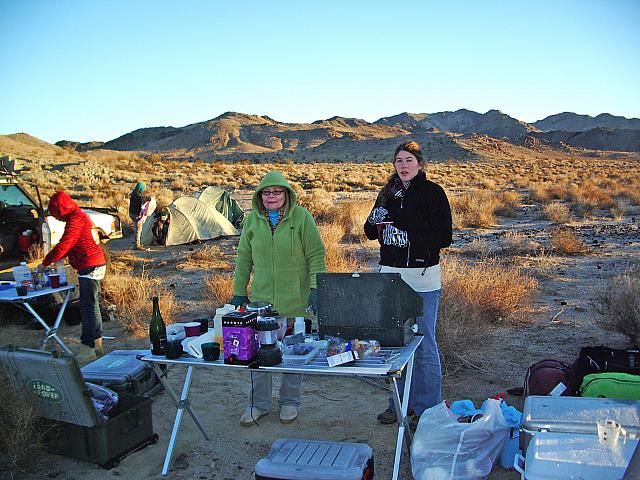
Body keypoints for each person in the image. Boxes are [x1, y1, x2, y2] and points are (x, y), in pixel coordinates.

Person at [363, 140, 452, 428]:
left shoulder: (433, 193)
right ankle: (399, 404)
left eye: (409, 160)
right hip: (390, 277)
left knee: (424, 343)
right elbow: (370, 233)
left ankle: (426, 409)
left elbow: (445, 237)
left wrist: (409, 238)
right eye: (399, 160)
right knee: (395, 343)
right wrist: (375, 218)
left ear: (420, 164)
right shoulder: (387, 194)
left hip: (423, 279)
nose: (403, 165)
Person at [231, 171, 326, 426]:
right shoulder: (252, 220)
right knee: (258, 354)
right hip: (261, 305)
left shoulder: (302, 217)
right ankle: (258, 404)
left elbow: (316, 254)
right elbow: (243, 258)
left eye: (277, 192)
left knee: (294, 354)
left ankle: (289, 402)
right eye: (266, 192)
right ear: (259, 196)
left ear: (287, 194)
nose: (271, 196)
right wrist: (239, 292)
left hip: (296, 301)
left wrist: (316, 288)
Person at [41, 191, 107, 364]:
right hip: (95, 263)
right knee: (92, 305)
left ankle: (88, 347)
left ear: (61, 209)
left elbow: (65, 244)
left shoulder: (76, 220)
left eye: (56, 213)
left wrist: (46, 262)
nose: (57, 217)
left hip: (90, 265)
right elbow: (70, 244)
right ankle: (97, 344)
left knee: (87, 306)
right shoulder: (79, 216)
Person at [129, 181, 149, 250]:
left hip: (132, 213)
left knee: (136, 229)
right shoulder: (137, 195)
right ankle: (137, 245)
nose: (143, 190)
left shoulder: (133, 193)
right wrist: (147, 199)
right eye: (142, 189)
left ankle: (136, 243)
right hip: (136, 215)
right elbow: (141, 200)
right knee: (138, 230)